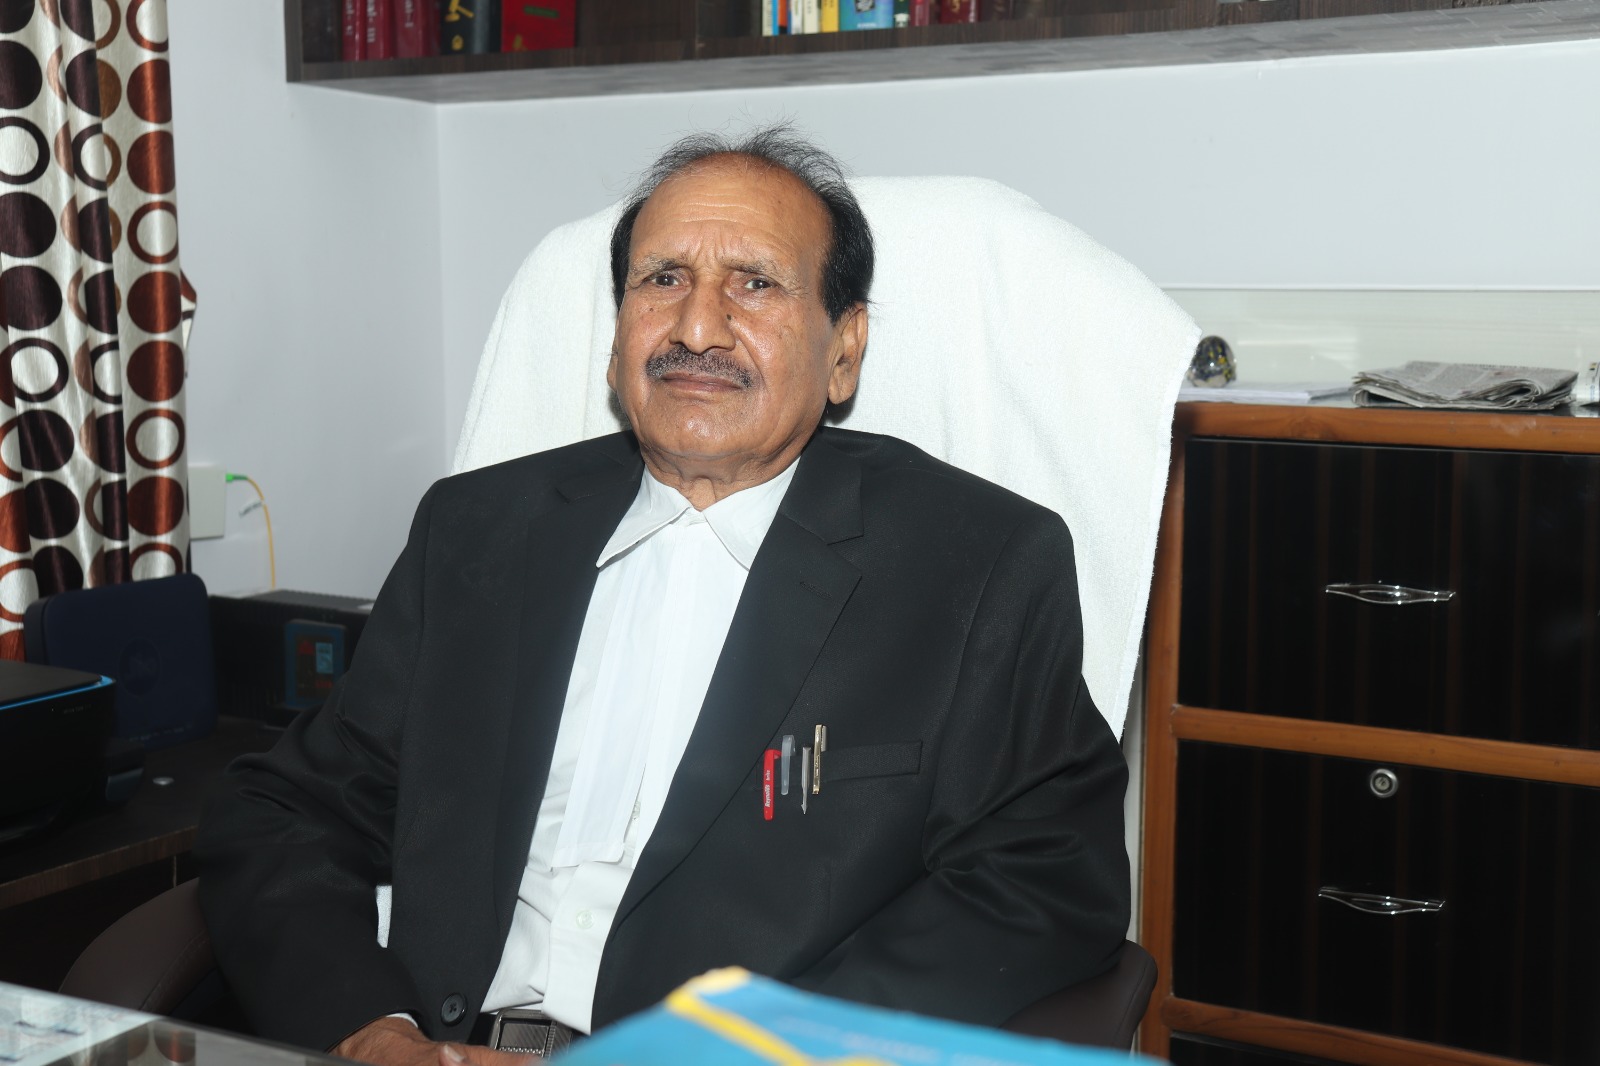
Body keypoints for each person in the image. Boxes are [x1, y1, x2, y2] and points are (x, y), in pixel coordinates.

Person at [194, 126, 1130, 1066]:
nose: (696, 328)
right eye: (662, 279)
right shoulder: (480, 530)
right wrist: (371, 1027)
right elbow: (288, 810)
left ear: (844, 350)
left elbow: (1043, 877)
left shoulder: (975, 564)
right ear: (616, 342)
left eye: (755, 284)